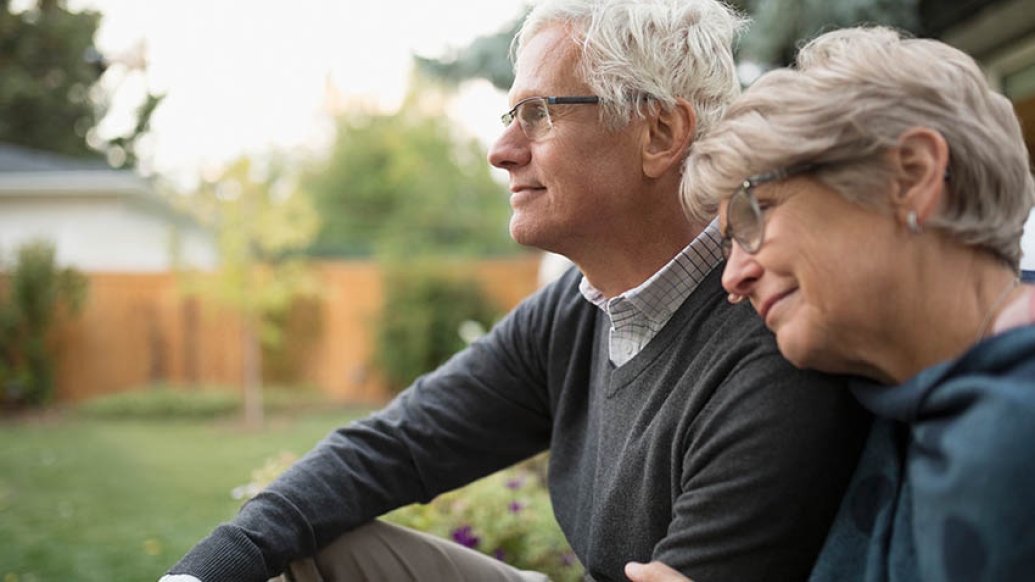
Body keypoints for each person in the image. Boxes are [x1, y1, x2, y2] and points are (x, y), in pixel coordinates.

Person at [162, 2, 871, 581]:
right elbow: (396, 446)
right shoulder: (578, 307)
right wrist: (204, 572)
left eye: (538, 114)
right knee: (309, 551)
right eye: (510, 118)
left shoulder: (769, 343)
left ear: (659, 131)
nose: (501, 151)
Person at [627, 25, 1035, 582]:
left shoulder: (1015, 423)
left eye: (753, 214)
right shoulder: (890, 410)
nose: (733, 278)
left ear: (909, 175)